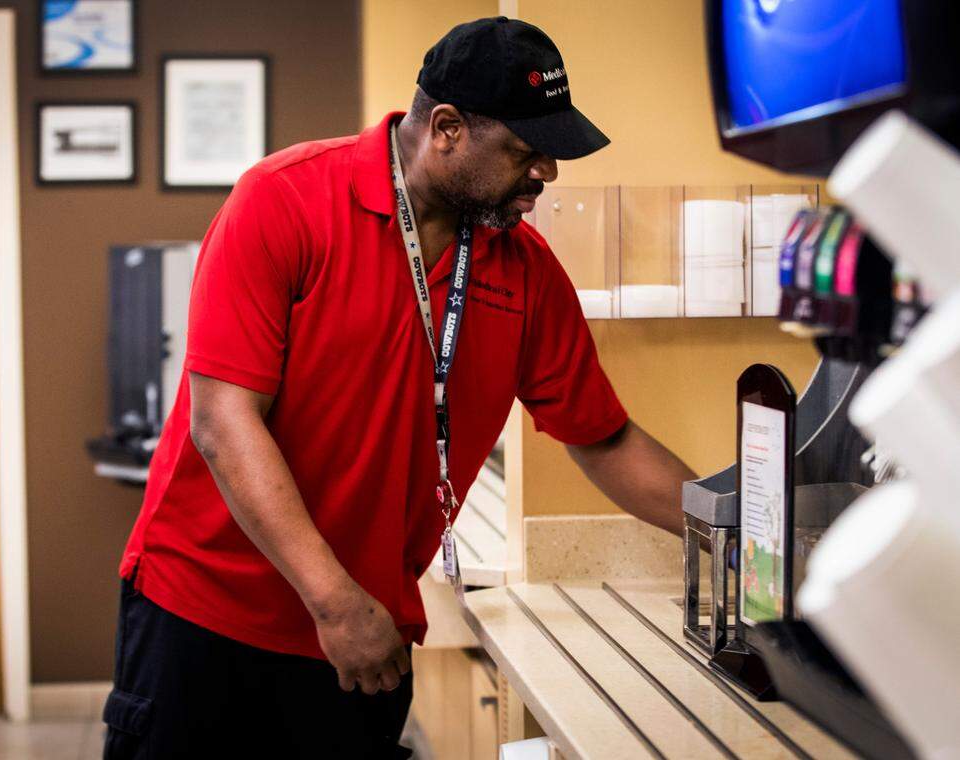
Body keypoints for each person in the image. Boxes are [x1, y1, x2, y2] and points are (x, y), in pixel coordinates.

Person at [104, 16, 695, 759]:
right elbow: (224, 425)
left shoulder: (524, 271)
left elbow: (603, 439)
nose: (548, 172)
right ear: (446, 128)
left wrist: (735, 534)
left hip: (365, 632)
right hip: (208, 615)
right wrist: (335, 603)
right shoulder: (284, 202)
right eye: (527, 150)